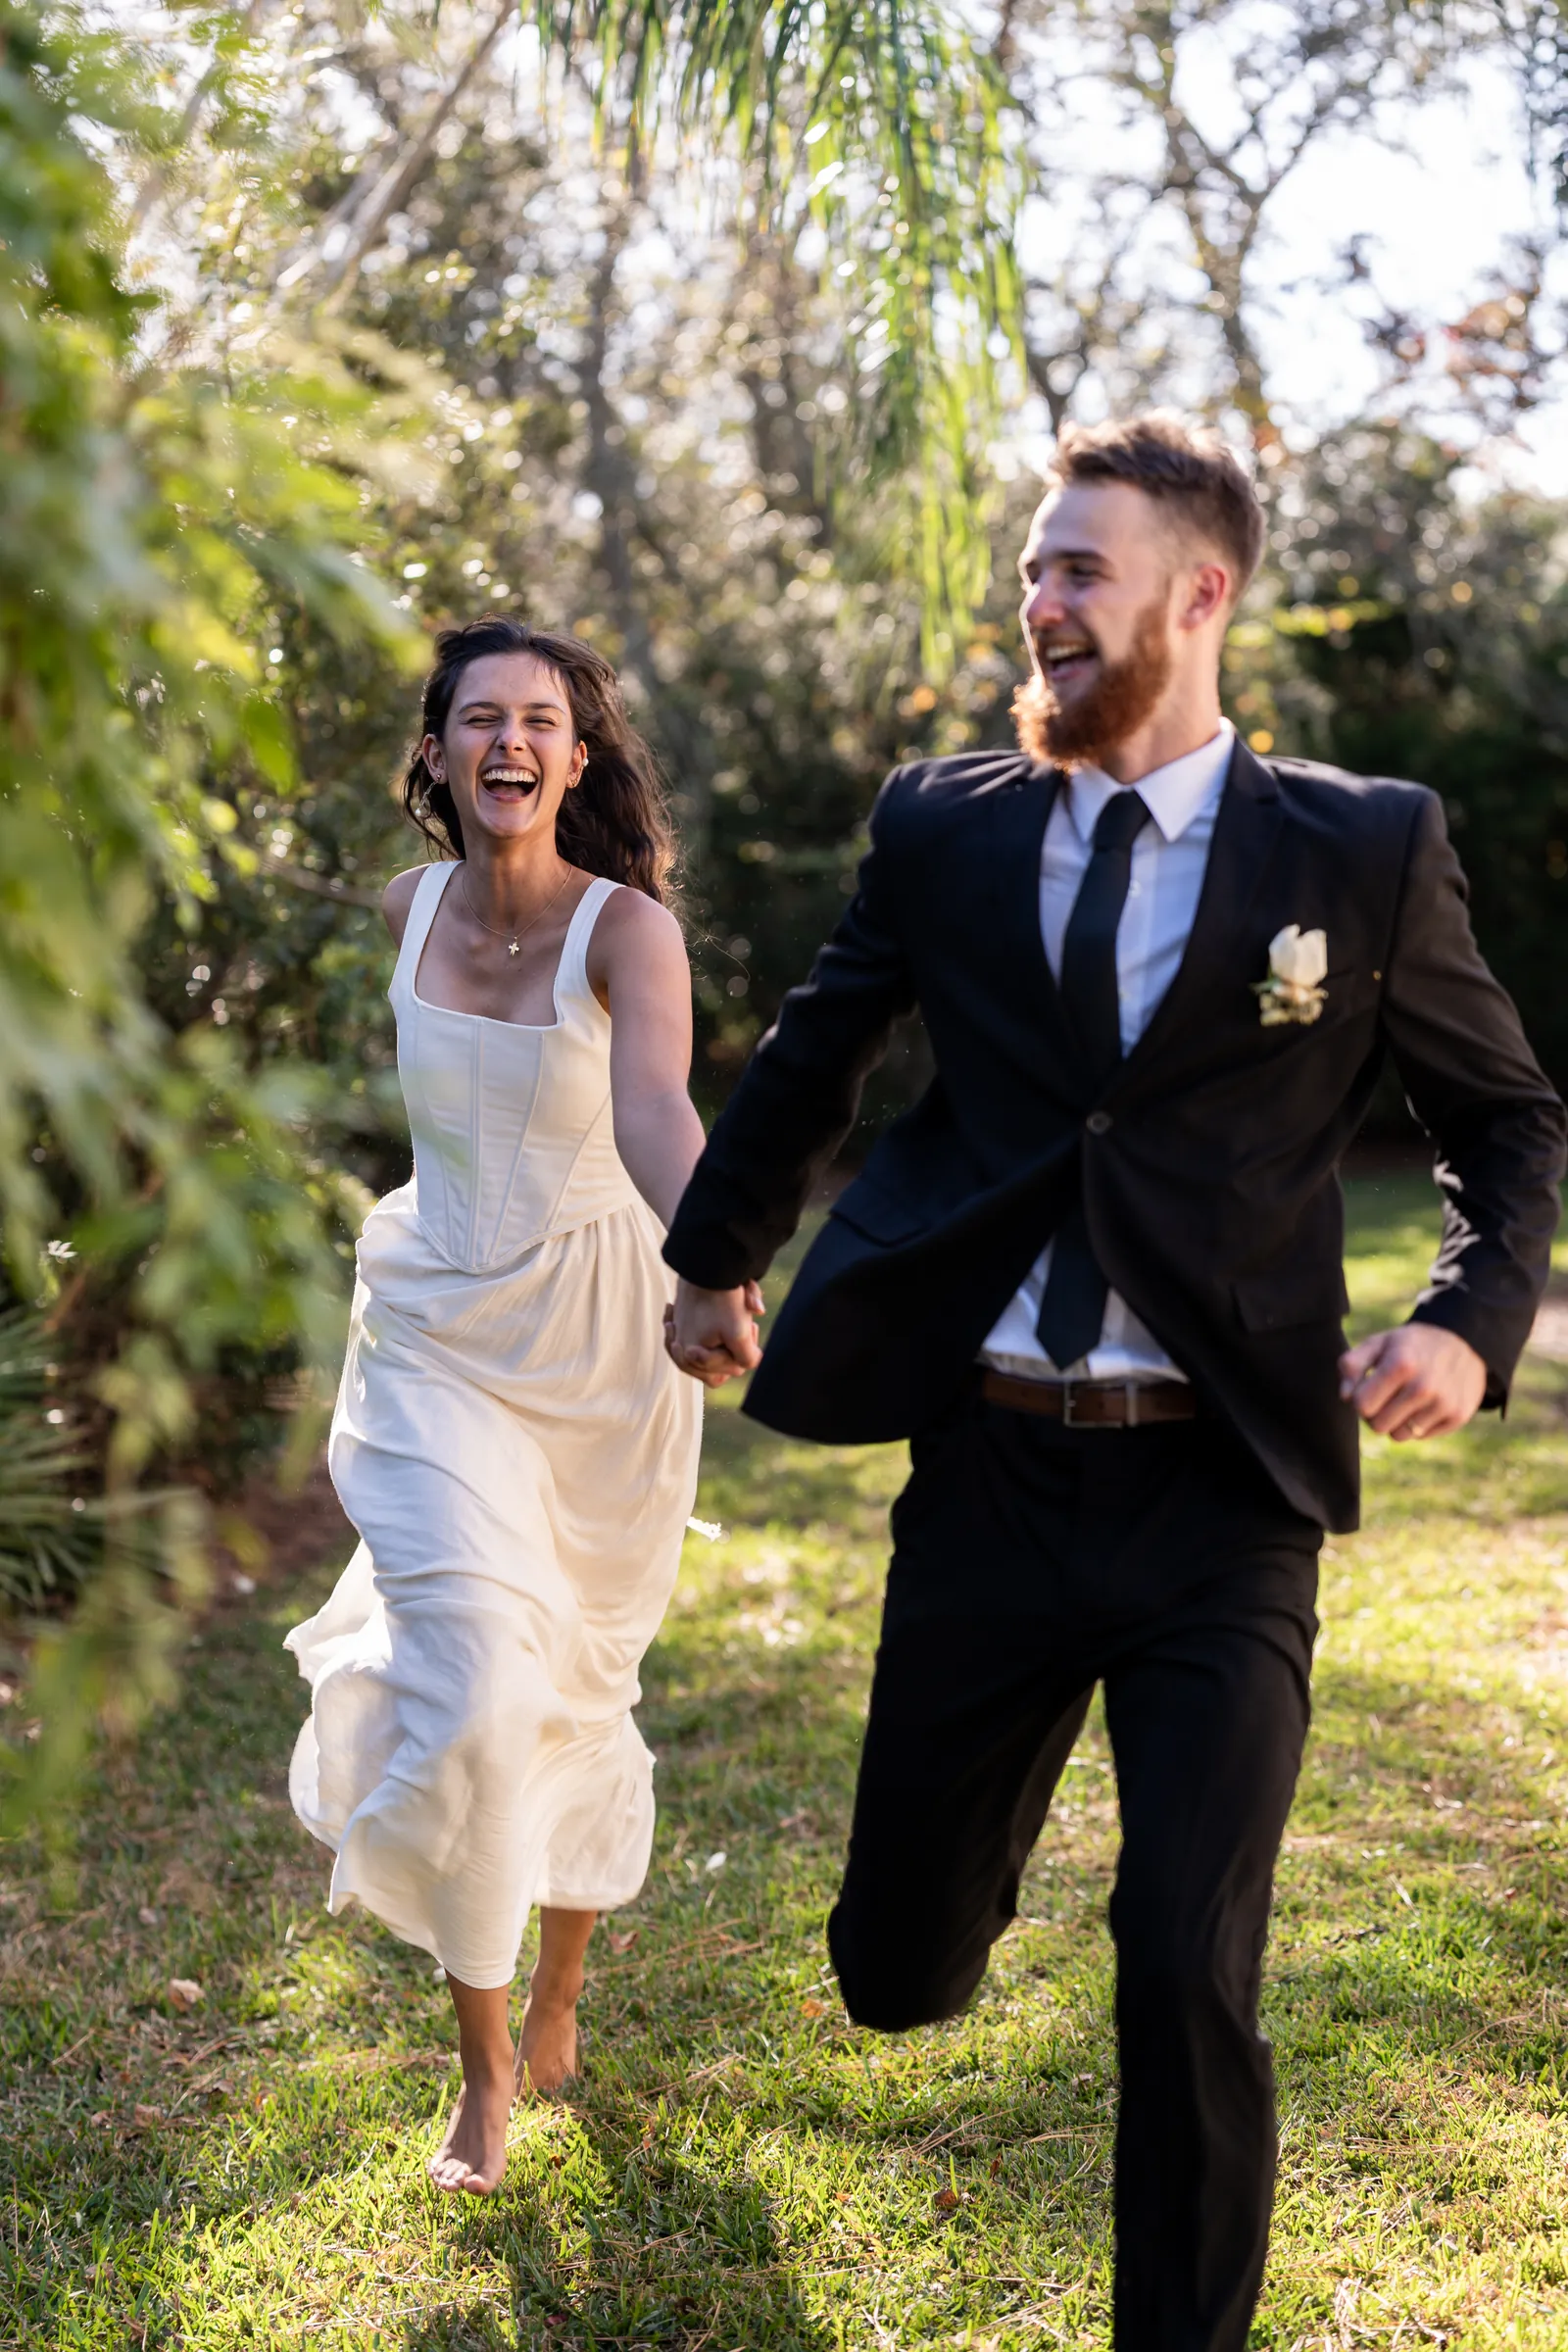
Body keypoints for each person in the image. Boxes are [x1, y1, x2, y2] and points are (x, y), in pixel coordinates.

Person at [661, 416, 1567, 2349]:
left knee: (1182, 1954)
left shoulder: (1362, 845)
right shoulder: (944, 824)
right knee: (892, 1966)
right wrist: (710, 1253)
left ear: (1197, 593)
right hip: (985, 1473)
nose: (1037, 601)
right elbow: (817, 1053)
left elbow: (1504, 1122)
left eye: (1078, 569)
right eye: (1031, 569)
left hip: (1217, 1491)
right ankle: (943, 1899)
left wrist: (1461, 1322)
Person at [286, 617, 722, 2197]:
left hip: (602, 1347)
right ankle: (479, 2076)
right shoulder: (406, 911)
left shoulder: (630, 934)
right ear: (437, 753)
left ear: (576, 756)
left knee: (574, 1685)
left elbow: (660, 1113)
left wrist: (716, 1261)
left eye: (541, 719)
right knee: (474, 1690)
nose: (510, 742)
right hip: (431, 1341)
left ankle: (558, 1998)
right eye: (481, 718)